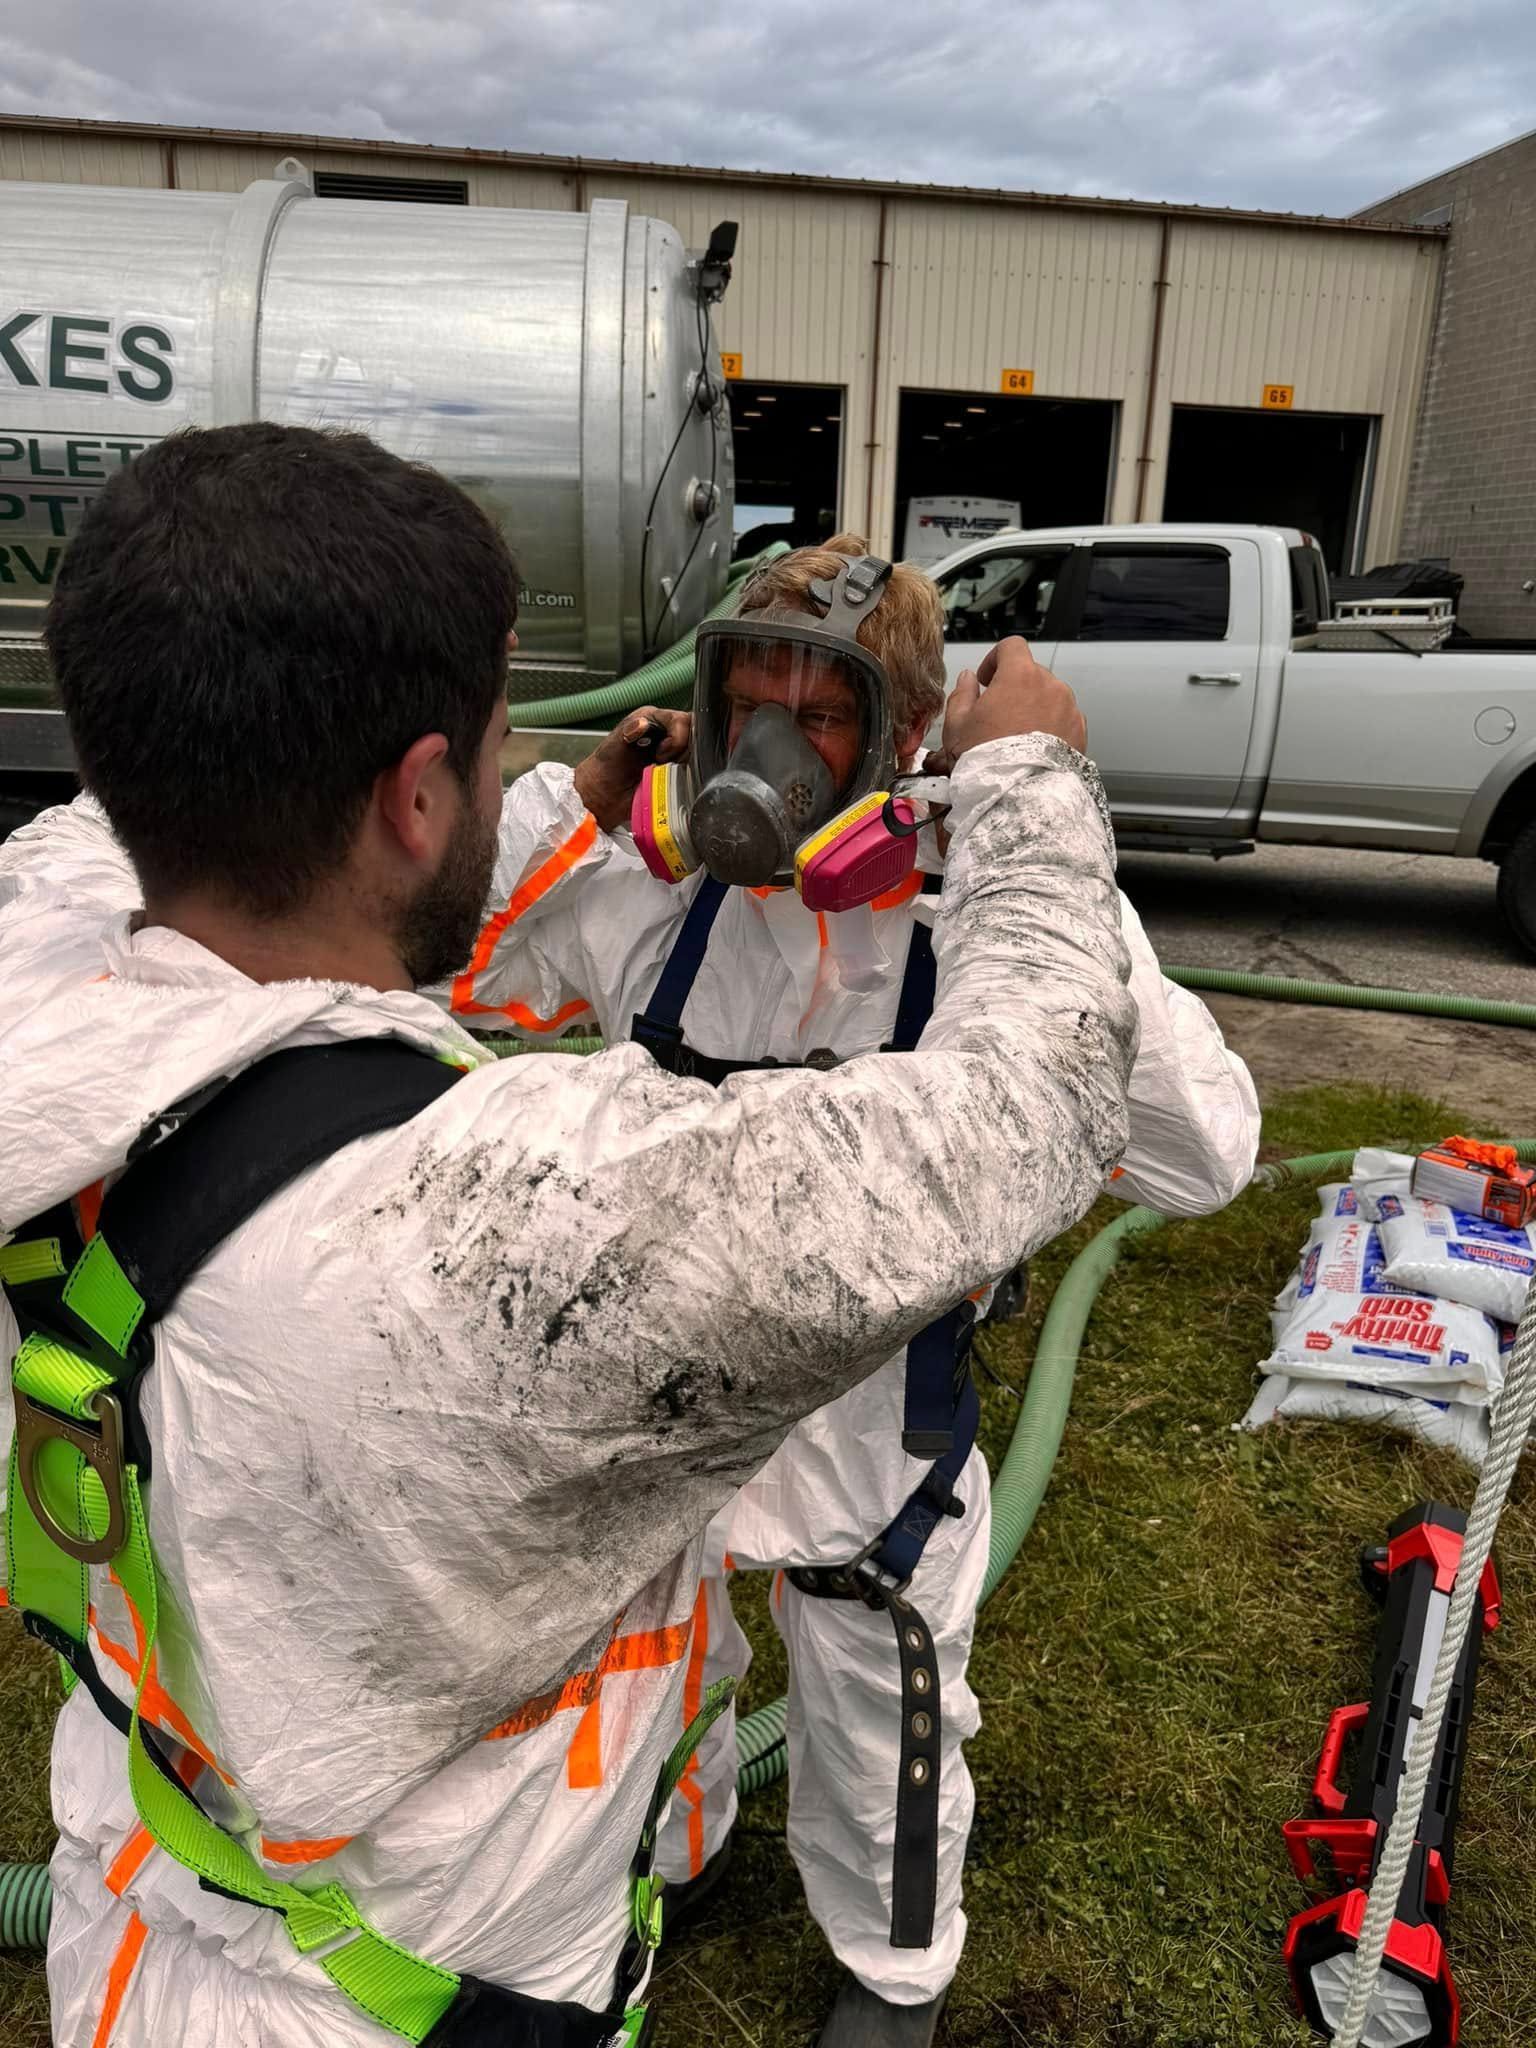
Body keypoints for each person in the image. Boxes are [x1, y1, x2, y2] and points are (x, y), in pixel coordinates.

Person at [0, 431, 1139, 2048]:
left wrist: (552, 811)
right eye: (496, 746)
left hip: (155, 1873)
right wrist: (1028, 791)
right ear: (413, 798)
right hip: (422, 1976)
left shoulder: (47, 952)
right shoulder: (535, 1230)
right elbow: (1025, 1114)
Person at [442, 536, 1260, 2046]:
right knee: (652, 1655)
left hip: (871, 1446)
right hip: (660, 1420)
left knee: (880, 1710)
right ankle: (668, 1847)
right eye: (742, 701)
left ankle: (894, 1981)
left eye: (814, 716)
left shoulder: (986, 938)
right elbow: (454, 970)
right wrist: (581, 806)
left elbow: (1206, 1157)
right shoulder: (660, 909)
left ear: (904, 734)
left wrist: (1040, 865)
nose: (767, 749)